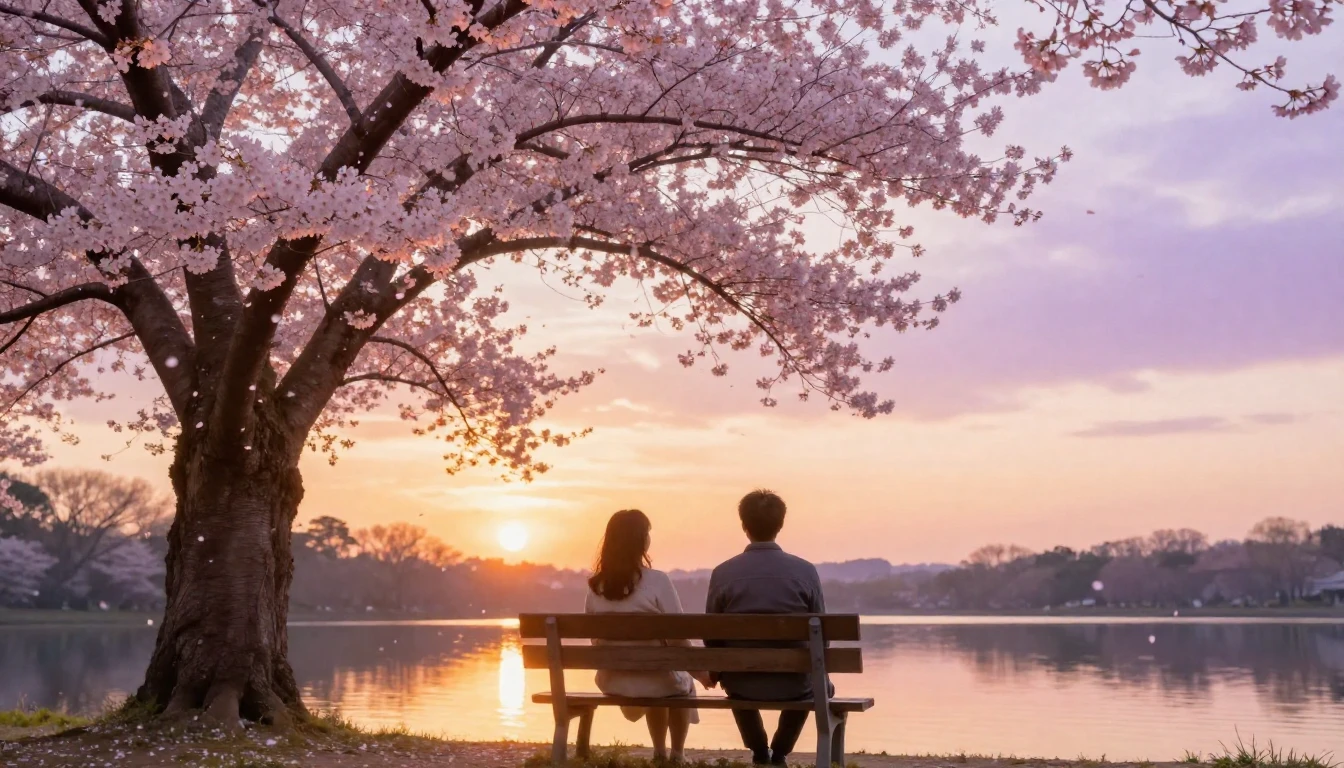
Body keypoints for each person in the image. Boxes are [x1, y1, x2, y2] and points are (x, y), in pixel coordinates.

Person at [706, 489, 829, 766]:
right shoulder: (806, 571)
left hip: (741, 683)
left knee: (736, 681)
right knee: (814, 685)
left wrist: (717, 668)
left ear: (744, 526)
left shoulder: (722, 573)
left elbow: (711, 636)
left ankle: (760, 751)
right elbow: (823, 638)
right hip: (796, 684)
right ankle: (781, 752)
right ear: (780, 524)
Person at [585, 509, 710, 762]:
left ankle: (659, 752)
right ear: (641, 540)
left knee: (661, 674)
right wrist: (701, 672)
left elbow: (595, 642)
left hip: (613, 681)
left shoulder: (595, 587)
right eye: (648, 533)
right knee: (674, 679)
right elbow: (679, 637)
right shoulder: (658, 581)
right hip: (656, 679)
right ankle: (676, 754)